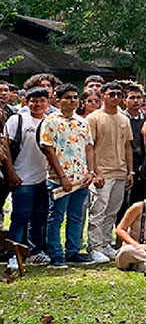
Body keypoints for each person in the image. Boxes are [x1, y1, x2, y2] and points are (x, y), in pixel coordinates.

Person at [39, 84, 97, 267]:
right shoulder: (51, 121)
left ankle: (73, 251)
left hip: (81, 179)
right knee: (56, 216)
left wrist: (91, 172)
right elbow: (48, 150)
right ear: (58, 99)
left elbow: (89, 147)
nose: (72, 101)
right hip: (59, 178)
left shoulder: (83, 121)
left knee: (76, 216)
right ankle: (56, 254)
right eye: (67, 97)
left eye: (75, 97)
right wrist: (62, 176)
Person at [87, 81, 134, 265]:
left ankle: (106, 243)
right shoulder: (94, 118)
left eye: (118, 94)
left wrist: (130, 171)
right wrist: (94, 172)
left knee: (112, 212)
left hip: (120, 171)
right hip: (102, 173)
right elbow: (89, 147)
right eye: (111, 94)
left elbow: (128, 146)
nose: (115, 98)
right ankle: (94, 247)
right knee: (98, 210)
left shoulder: (124, 119)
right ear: (103, 95)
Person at [6, 88, 50, 265]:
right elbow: (5, 148)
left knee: (39, 218)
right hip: (22, 177)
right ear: (26, 101)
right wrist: (11, 172)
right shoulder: (17, 120)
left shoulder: (51, 122)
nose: (37, 104)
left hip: (44, 179)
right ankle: (13, 255)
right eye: (33, 101)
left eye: (41, 100)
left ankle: (35, 251)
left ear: (48, 102)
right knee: (20, 217)